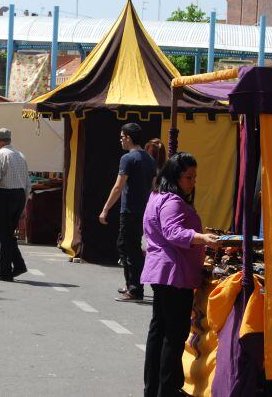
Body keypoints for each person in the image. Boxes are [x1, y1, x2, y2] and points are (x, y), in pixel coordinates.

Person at [141, 152, 219, 397]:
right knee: (172, 337)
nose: (193, 182)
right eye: (189, 177)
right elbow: (173, 232)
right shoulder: (173, 201)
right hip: (174, 273)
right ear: (175, 176)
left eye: (195, 177)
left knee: (160, 332)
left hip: (162, 272)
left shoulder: (157, 196)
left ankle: (154, 388)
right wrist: (202, 238)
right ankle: (166, 389)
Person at [99, 123, 157, 301]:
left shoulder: (128, 159)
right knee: (129, 246)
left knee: (127, 248)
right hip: (144, 209)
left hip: (130, 210)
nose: (121, 140)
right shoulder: (149, 159)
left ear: (129, 138)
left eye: (122, 137)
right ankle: (131, 283)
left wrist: (105, 209)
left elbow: (118, 187)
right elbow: (154, 186)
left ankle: (135, 289)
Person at [0, 128, 30, 282]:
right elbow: (27, 183)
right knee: (8, 234)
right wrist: (23, 204)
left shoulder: (0, 155)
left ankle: (5, 271)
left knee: (1, 235)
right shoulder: (20, 155)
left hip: (3, 197)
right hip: (19, 197)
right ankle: (18, 265)